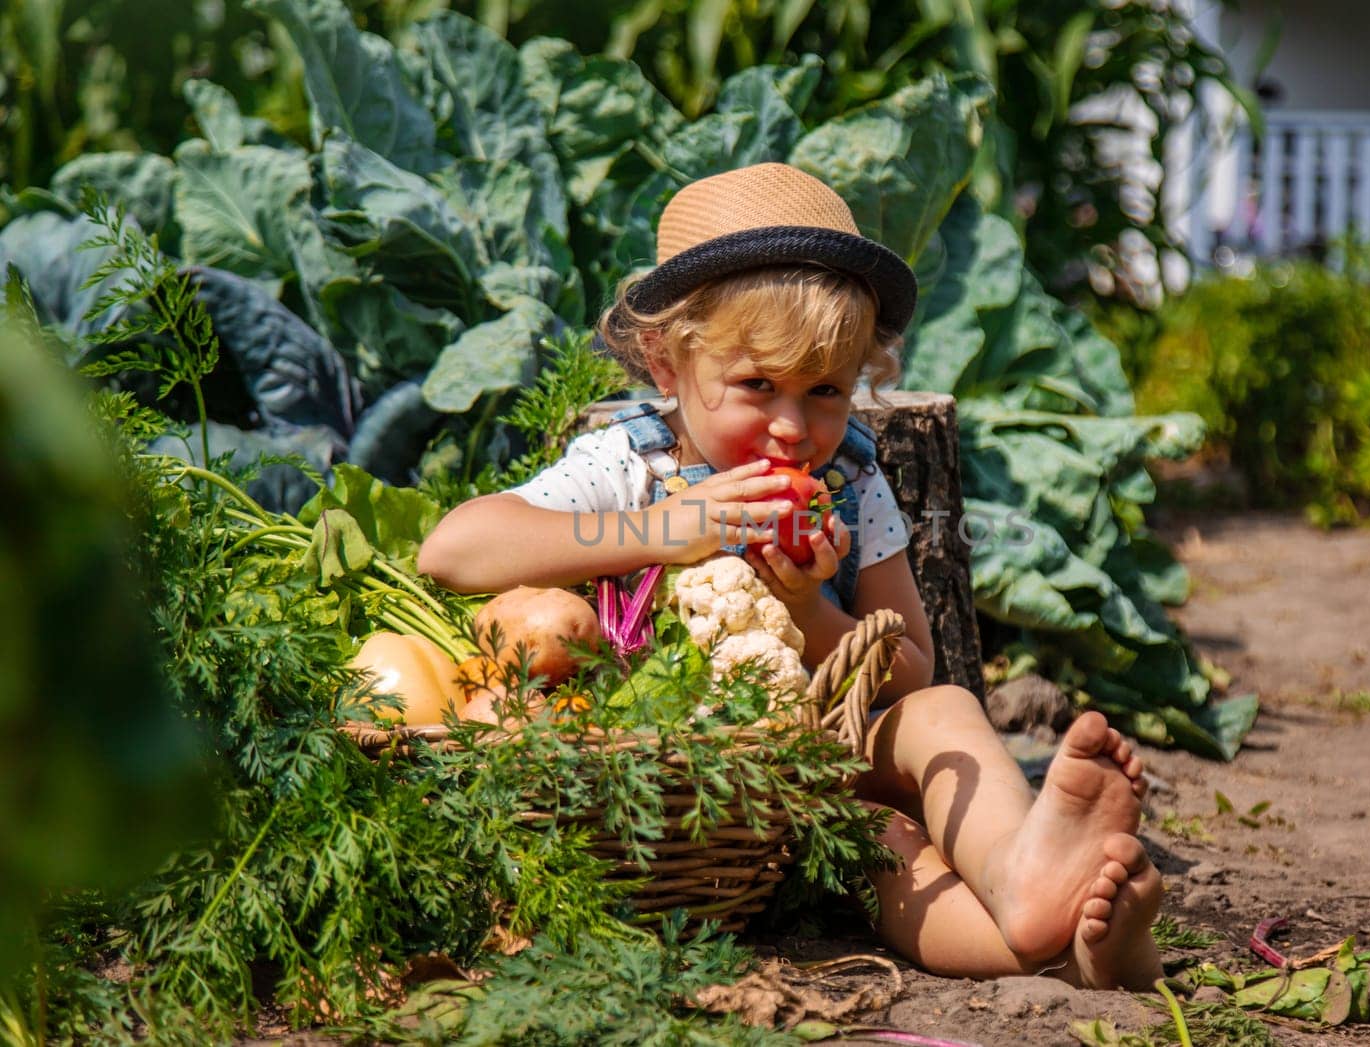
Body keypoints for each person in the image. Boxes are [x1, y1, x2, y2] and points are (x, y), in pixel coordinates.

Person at [416, 162, 1163, 987]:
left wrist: (809, 606)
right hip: (673, 782)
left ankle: (1034, 898)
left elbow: (910, 663)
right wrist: (668, 529)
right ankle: (1054, 949)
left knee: (926, 749)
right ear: (667, 365)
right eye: (758, 385)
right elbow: (453, 548)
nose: (792, 427)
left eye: (826, 390)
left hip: (818, 769)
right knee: (879, 841)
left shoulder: (851, 479)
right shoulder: (632, 465)